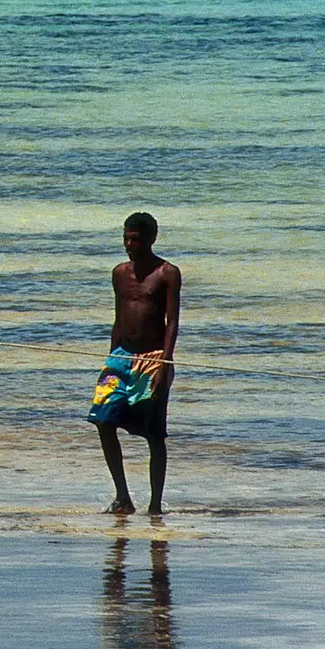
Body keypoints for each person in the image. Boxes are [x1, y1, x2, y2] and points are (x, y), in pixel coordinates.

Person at [90, 211, 181, 515]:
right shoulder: (119, 273)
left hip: (153, 358)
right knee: (103, 420)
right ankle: (123, 498)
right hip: (121, 357)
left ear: (151, 239)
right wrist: (110, 357)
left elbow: (172, 322)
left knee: (154, 435)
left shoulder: (167, 273)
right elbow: (118, 319)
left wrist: (165, 364)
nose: (130, 245)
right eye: (126, 238)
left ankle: (155, 505)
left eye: (136, 240)